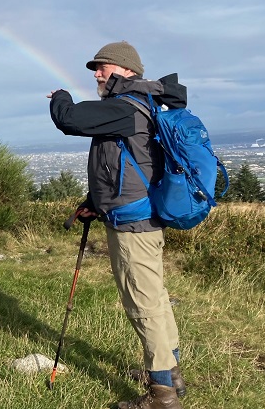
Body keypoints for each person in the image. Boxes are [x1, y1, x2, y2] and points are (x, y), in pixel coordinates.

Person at [48, 41, 188, 409]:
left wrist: (59, 96)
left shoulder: (125, 107)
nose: (96, 73)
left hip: (133, 224)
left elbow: (70, 119)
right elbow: (123, 165)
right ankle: (170, 374)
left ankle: (163, 395)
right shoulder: (142, 105)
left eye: (103, 67)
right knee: (154, 297)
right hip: (139, 214)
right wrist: (95, 203)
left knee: (143, 303)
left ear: (126, 71)